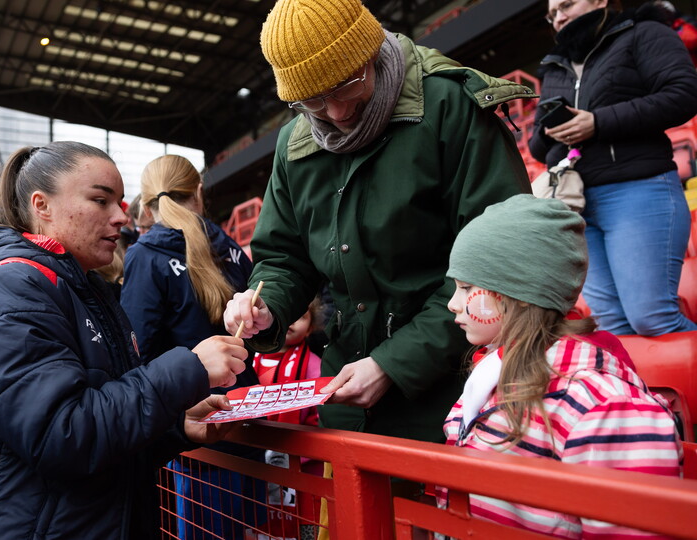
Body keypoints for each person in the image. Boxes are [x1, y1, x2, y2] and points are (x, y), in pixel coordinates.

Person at [223, 0, 531, 447]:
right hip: (345, 394)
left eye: (347, 85)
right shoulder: (295, 144)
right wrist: (266, 305)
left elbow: (498, 256)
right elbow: (283, 258)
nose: (336, 113)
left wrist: (393, 363)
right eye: (312, 100)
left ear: (371, 53)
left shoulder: (448, 106)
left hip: (457, 387)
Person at [0, 141, 248, 540]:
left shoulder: (83, 287)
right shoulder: (10, 291)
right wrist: (188, 368)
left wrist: (175, 424)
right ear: (41, 206)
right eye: (101, 200)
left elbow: (107, 431)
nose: (122, 217)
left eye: (120, 201)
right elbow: (63, 435)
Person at [439, 194, 682, 537]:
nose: (453, 303)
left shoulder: (605, 407)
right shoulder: (491, 373)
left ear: (521, 293)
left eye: (466, 288)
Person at [529, 0, 697, 336]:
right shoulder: (554, 65)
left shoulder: (644, 33)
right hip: (575, 207)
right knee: (613, 327)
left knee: (654, 319)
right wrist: (551, 130)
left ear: (600, 1)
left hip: (638, 190)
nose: (558, 17)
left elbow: (684, 93)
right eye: (551, 14)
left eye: (566, 5)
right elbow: (536, 145)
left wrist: (598, 122)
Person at [121, 154, 262, 540]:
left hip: (193, 435)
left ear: (146, 205)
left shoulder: (145, 255)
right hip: (248, 419)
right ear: (199, 192)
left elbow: (138, 350)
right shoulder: (232, 249)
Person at [253, 300, 324, 540]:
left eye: (300, 316)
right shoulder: (250, 361)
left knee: (306, 523)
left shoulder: (315, 365)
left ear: (311, 326)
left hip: (303, 465)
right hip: (258, 462)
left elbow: (319, 418)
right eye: (285, 312)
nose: (291, 321)